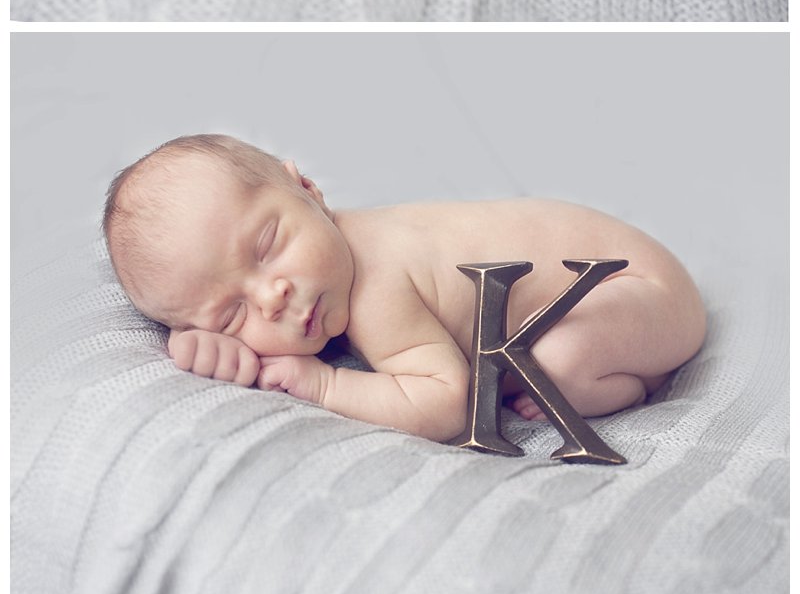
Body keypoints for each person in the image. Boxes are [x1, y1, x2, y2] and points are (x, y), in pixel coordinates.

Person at [103, 134, 707, 442]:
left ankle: (637, 380)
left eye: (266, 247)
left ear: (309, 190)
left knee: (557, 363)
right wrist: (219, 349)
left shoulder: (375, 289)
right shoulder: (328, 264)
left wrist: (324, 382)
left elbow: (446, 404)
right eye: (232, 314)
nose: (273, 297)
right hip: (618, 288)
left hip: (640, 292)